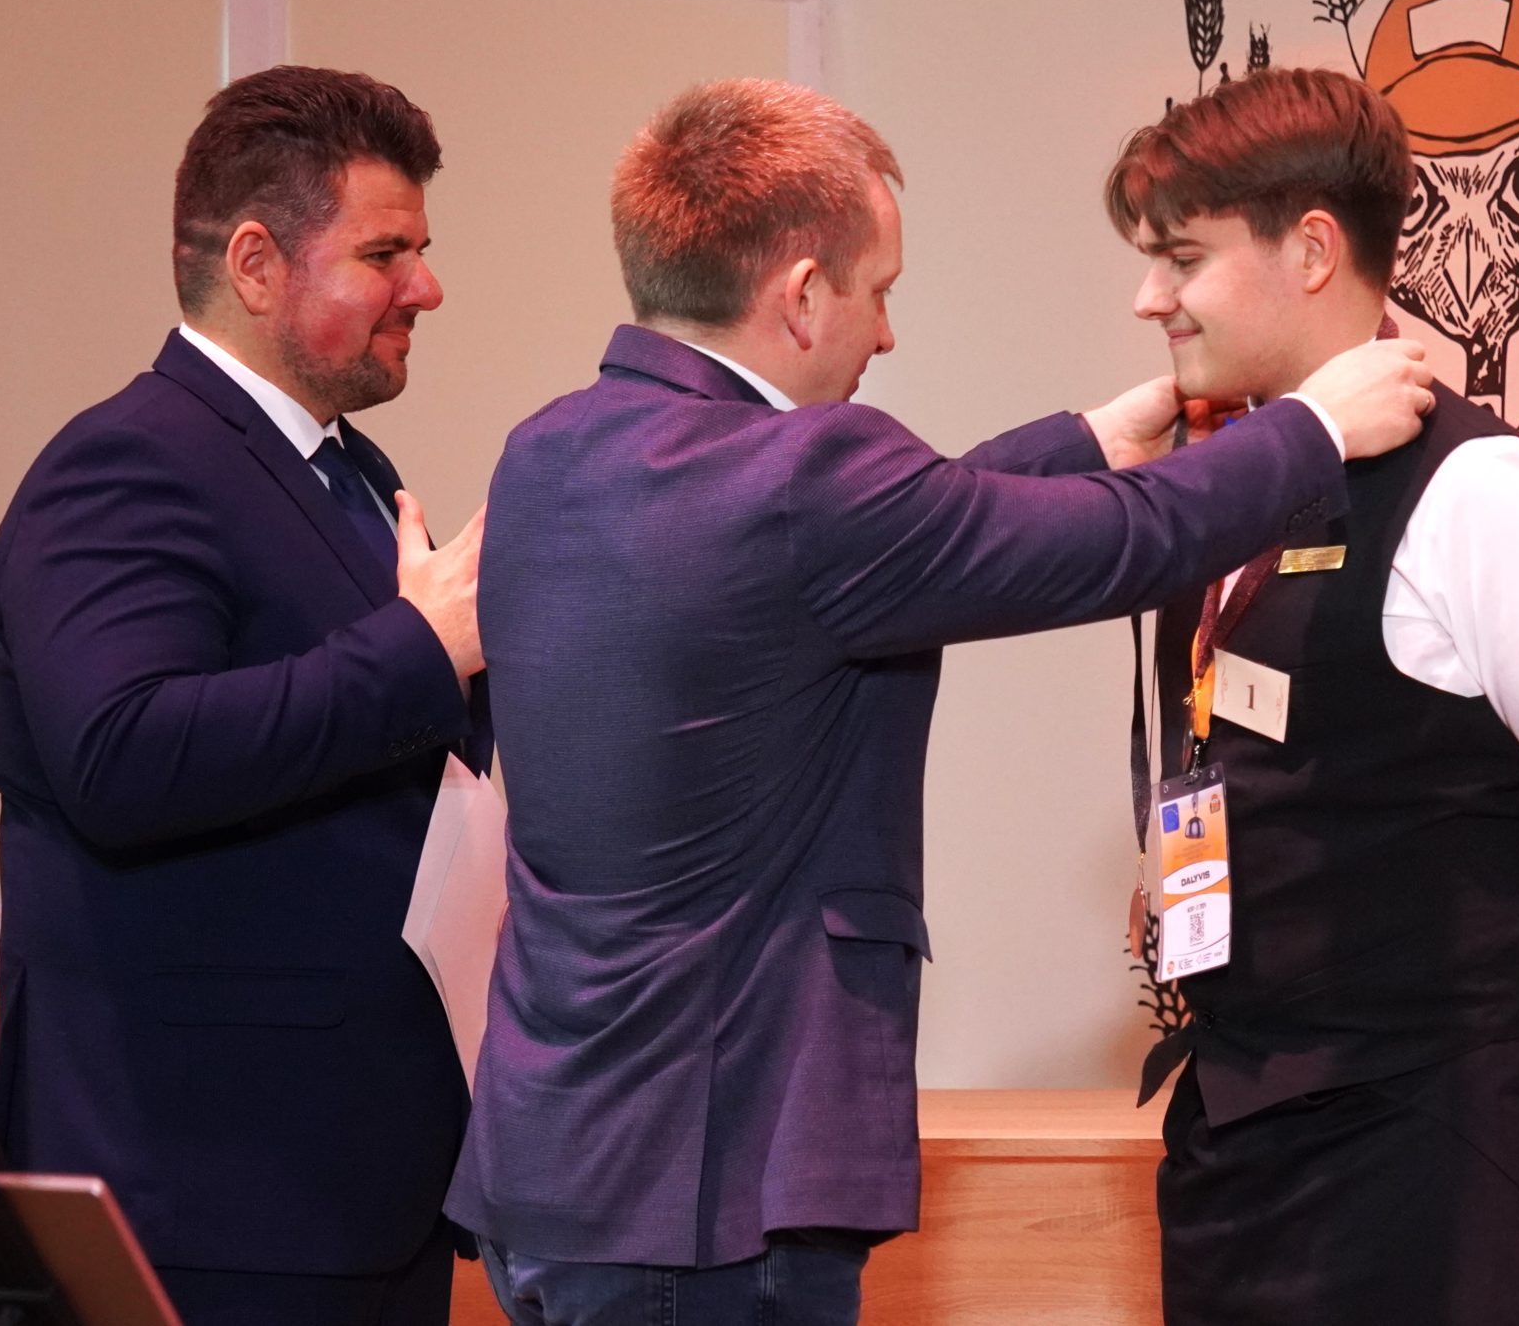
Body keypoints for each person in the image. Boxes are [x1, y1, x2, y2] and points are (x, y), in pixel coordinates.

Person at [445, 78, 1435, 1325]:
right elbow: (1107, 547)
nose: (886, 335)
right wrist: (1308, 430)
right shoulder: (806, 480)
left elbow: (851, 551)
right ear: (803, 293)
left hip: (556, 1173)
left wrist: (1089, 438)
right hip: (707, 1197)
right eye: (879, 291)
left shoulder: (550, 451)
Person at [1107, 68, 1519, 1324]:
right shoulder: (1229, 482)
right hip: (1241, 1140)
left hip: (1425, 1166)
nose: (1148, 297)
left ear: (1311, 250)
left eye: (1181, 259)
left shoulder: (1485, 498)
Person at [0, 66, 487, 1324]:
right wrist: (423, 648)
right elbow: (124, 753)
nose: (426, 287)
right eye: (385, 253)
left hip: (354, 1186)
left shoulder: (348, 471)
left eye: (421, 251)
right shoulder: (126, 462)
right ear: (256, 264)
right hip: (205, 1198)